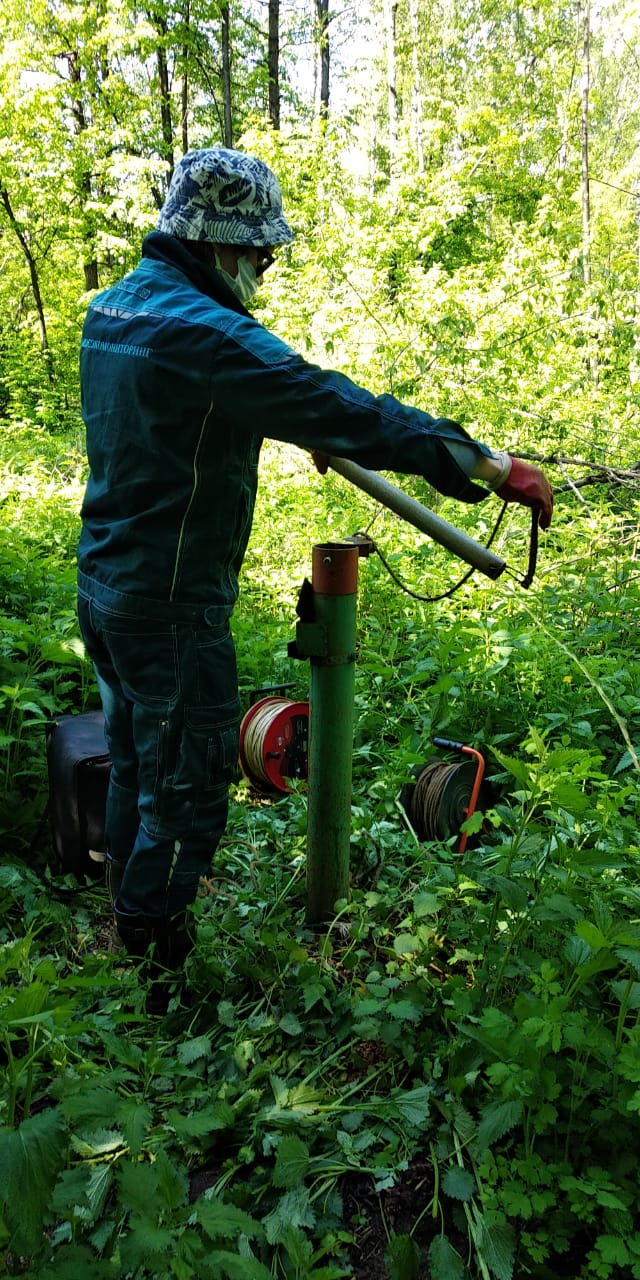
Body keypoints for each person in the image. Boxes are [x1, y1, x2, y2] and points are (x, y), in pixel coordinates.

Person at [77, 147, 552, 1009]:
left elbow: (178, 420)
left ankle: (124, 915)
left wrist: (279, 421)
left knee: (134, 767)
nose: (265, 268)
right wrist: (490, 467)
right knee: (183, 794)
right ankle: (152, 975)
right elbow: (341, 404)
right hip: (173, 606)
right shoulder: (208, 333)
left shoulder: (113, 311)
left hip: (105, 585)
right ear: (223, 244)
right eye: (261, 253)